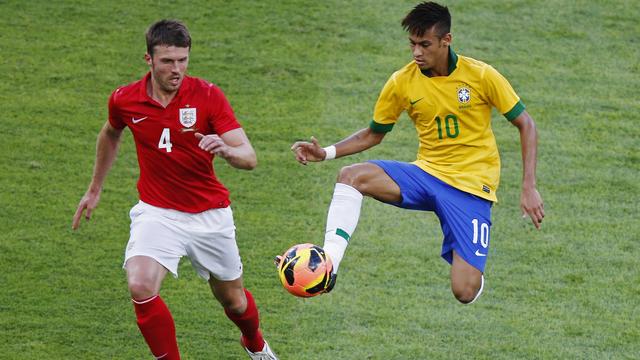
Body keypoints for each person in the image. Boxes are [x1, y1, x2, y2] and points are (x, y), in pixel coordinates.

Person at [289, 2, 544, 304]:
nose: (416, 52)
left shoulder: (481, 76)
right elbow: (374, 133)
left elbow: (525, 124)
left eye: (425, 44)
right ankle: (329, 264)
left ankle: (472, 268)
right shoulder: (402, 82)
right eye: (412, 44)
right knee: (351, 176)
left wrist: (528, 186)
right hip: (426, 175)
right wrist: (327, 152)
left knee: (464, 291)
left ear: (446, 40)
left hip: (472, 190)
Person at [72, 19, 277, 359]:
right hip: (158, 212)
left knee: (235, 302)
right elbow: (111, 132)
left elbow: (249, 157)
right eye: (168, 61)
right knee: (139, 285)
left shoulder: (208, 95)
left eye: (183, 60)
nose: (177, 69)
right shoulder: (125, 100)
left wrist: (226, 150)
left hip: (209, 215)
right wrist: (95, 188)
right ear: (148, 60)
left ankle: (254, 343)